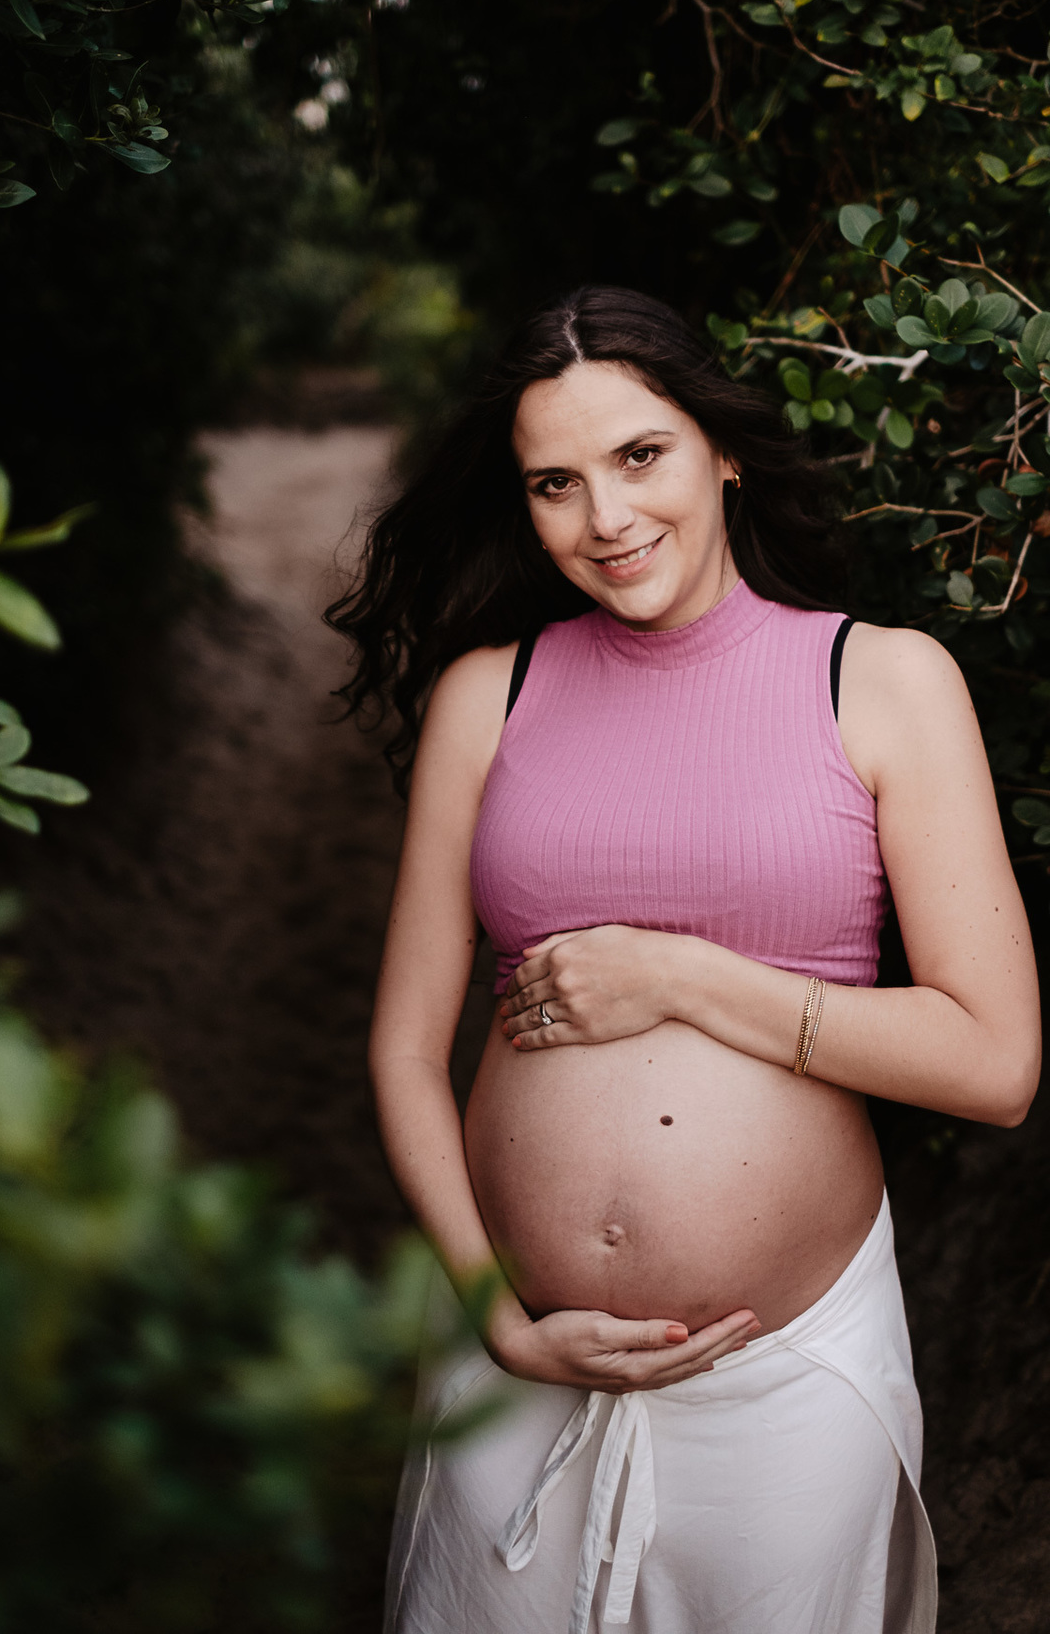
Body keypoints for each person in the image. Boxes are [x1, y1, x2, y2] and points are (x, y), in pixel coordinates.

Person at [326, 285, 1041, 1634]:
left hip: (788, 1378)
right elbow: (406, 1049)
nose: (605, 520)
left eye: (639, 457)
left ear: (719, 447)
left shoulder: (880, 683)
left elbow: (996, 1064)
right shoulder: (492, 694)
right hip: (516, 1364)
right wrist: (496, 1315)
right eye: (555, 482)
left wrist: (683, 979)